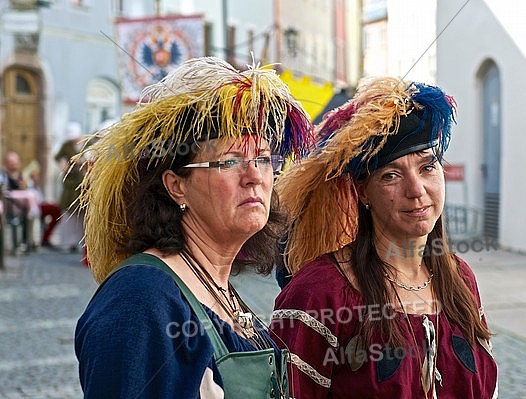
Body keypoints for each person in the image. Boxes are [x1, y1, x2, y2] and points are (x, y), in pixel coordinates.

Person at [74, 56, 314, 398]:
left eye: (262, 158)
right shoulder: (140, 301)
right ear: (176, 186)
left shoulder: (220, 289)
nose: (254, 177)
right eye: (230, 161)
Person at [269, 77, 498, 398]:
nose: (416, 190)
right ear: (363, 191)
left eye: (427, 168)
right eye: (391, 175)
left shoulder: (460, 279)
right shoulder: (320, 293)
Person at [55, 121, 86, 252]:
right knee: (69, 215)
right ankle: (69, 243)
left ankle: (82, 243)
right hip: (70, 184)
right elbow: (59, 157)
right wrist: (63, 163)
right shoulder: (66, 146)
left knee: (82, 216)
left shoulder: (88, 143)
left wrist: (82, 161)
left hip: (84, 184)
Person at [21, 160, 62, 249]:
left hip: (39, 205)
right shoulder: (28, 183)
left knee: (56, 210)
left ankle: (46, 237)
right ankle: (45, 238)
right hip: (34, 207)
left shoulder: (35, 184)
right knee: (56, 210)